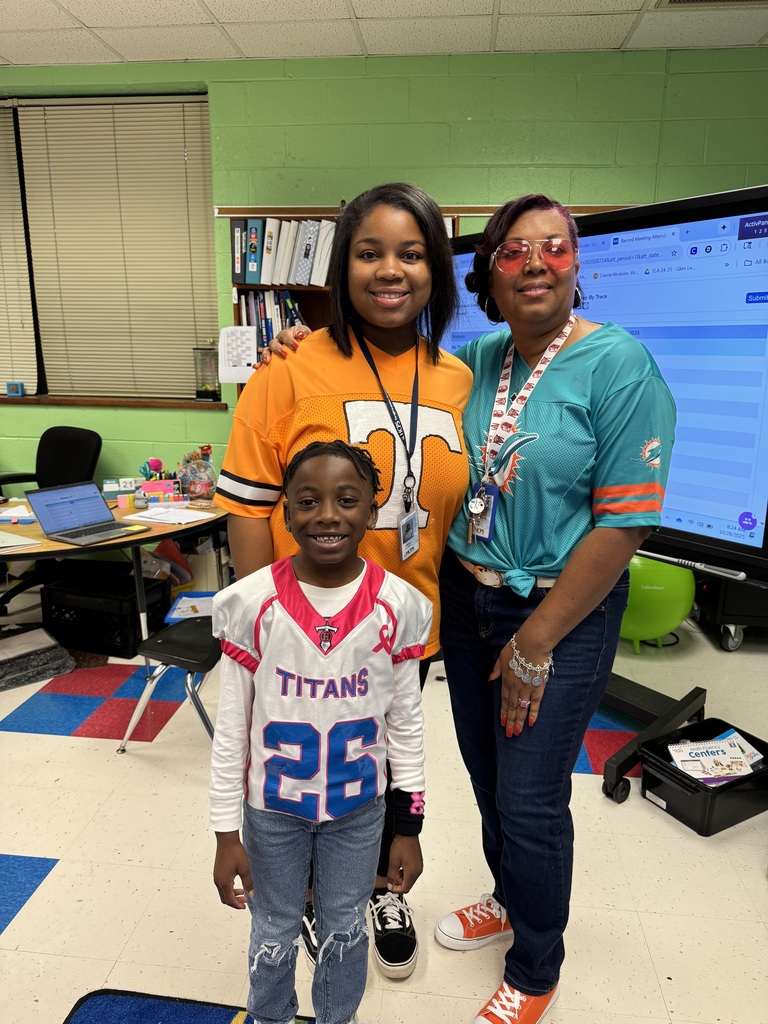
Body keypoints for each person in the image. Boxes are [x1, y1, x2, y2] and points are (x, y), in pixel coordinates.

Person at [214, 182, 473, 978]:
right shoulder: (286, 369)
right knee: (304, 766)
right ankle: (310, 895)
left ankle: (372, 890)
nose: (389, 270)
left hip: (401, 625)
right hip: (301, 630)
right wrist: (269, 627)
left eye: (410, 252)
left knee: (386, 761)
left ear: (437, 268)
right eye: (368, 253)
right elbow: (252, 511)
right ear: (341, 267)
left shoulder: (460, 377)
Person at [434, 195, 677, 1024]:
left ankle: (536, 968)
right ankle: (507, 899)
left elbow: (626, 522)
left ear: (578, 267)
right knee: (487, 776)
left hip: (560, 610)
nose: (535, 261)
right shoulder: (475, 358)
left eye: (554, 247)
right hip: (467, 599)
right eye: (514, 250)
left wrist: (536, 641)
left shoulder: (619, 365)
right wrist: (300, 347)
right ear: (490, 276)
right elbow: (384, 389)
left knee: (533, 797)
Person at [210, 440, 432, 1024]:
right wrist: (223, 833)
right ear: (285, 512)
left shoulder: (397, 606)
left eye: (347, 499)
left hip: (359, 814)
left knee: (345, 925)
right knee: (274, 925)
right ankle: (269, 1015)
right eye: (307, 501)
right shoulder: (252, 604)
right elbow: (231, 731)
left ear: (373, 509)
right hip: (272, 812)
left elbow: (406, 726)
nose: (328, 514)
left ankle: (339, 1016)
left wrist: (408, 828)